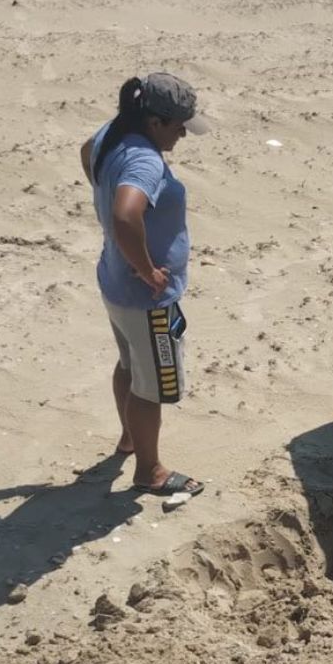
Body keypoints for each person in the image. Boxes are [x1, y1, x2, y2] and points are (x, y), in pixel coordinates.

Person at [79, 73, 209, 496]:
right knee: (151, 386)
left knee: (129, 366)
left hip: (114, 282)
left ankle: (129, 438)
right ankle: (149, 470)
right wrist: (149, 269)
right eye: (178, 127)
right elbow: (124, 215)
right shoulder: (145, 160)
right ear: (155, 121)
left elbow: (86, 153)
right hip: (145, 297)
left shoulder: (112, 133)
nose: (182, 135)